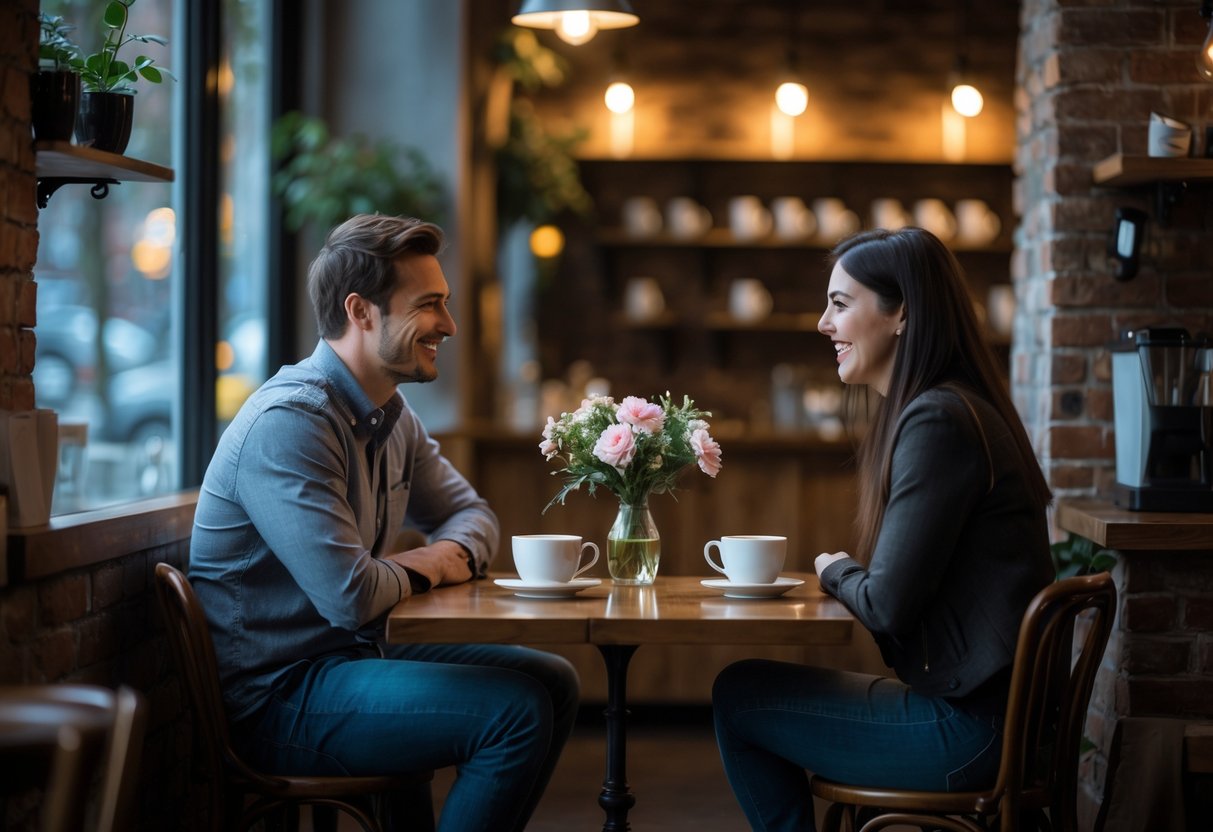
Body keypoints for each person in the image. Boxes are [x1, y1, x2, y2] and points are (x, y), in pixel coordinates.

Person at [189, 214, 580, 831]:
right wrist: (429, 562)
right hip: (280, 698)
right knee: (517, 712)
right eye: (430, 306)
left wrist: (437, 555)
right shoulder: (291, 423)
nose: (448, 326)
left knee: (552, 681)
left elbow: (472, 514)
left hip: (350, 659)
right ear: (361, 311)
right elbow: (352, 596)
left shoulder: (390, 414)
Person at [712, 227, 1055, 831]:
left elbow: (887, 604)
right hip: (992, 719)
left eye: (840, 304)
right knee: (745, 687)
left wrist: (832, 568)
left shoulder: (938, 420)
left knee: (739, 696)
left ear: (904, 315)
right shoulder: (953, 406)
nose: (823, 323)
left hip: (971, 735)